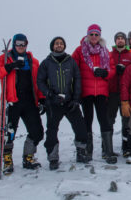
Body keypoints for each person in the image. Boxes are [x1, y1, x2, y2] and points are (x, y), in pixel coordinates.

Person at [0, 33, 45, 173]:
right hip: (11, 102)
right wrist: (10, 67)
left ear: (27, 44)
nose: (21, 46)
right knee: (8, 133)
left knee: (37, 131)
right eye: (18, 43)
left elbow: (37, 82)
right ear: (14, 44)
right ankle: (7, 160)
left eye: (23, 43)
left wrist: (42, 99)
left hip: (29, 101)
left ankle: (28, 156)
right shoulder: (5, 59)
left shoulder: (33, 61)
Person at [37, 37, 89, 169]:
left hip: (69, 101)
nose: (59, 45)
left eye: (61, 43)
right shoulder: (46, 63)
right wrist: (49, 94)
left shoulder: (70, 61)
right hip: (53, 102)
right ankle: (53, 158)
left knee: (80, 127)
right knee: (52, 131)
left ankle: (81, 152)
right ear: (52, 46)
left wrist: (76, 99)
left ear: (64, 46)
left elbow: (77, 79)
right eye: (56, 43)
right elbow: (40, 81)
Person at [72, 24, 115, 164]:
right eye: (92, 34)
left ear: (100, 36)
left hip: (102, 91)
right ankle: (87, 151)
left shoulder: (105, 51)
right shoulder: (80, 51)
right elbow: (73, 69)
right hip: (86, 92)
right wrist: (75, 90)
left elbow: (112, 69)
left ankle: (108, 152)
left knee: (104, 120)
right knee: (87, 121)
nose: (94, 37)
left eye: (97, 34)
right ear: (87, 35)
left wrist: (105, 73)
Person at [109, 32, 131, 157]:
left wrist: (126, 71)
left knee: (126, 121)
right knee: (109, 121)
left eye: (122, 39)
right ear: (115, 41)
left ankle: (126, 147)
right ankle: (107, 149)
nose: (120, 41)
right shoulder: (109, 55)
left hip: (126, 93)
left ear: (126, 41)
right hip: (111, 92)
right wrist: (114, 70)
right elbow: (106, 70)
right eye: (118, 39)